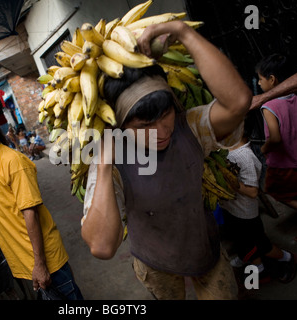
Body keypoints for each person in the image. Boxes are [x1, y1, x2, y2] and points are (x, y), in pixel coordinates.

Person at [81, 20, 252, 300]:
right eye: (143, 126)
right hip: (154, 261)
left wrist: (184, 33)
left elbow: (239, 102)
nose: (162, 132)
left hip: (203, 247)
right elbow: (102, 246)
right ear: (119, 126)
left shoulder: (192, 127)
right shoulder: (113, 162)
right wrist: (103, 165)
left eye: (165, 115)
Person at [0, 96, 83, 299]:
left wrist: (40, 264)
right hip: (23, 259)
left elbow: (30, 212)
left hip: (45, 260)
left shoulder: (13, 162)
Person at [219, 115, 297, 284]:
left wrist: (231, 182)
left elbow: (253, 192)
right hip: (231, 208)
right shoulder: (228, 150)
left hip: (245, 215)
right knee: (242, 241)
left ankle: (287, 258)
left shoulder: (246, 157)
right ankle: (254, 265)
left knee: (262, 246)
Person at [256, 54, 297, 249]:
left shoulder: (269, 106)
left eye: (260, 79)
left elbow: (275, 139)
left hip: (282, 165)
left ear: (272, 79)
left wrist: (263, 148)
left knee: (275, 192)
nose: (259, 84)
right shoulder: (295, 97)